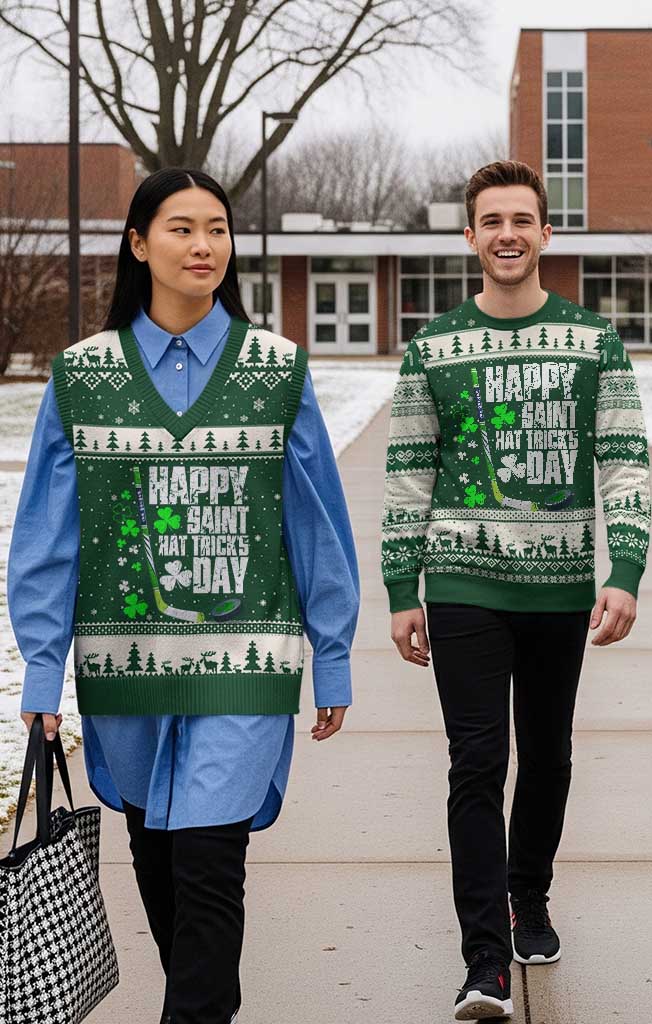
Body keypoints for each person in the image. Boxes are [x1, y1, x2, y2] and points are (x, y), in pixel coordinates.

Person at [11, 168, 359, 1024]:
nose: (203, 246)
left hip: (245, 664)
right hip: (123, 667)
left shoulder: (276, 371)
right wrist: (42, 676)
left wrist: (334, 654)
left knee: (210, 863)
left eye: (216, 229)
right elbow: (47, 538)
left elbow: (315, 522)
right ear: (138, 244)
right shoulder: (82, 376)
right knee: (159, 860)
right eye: (180, 229)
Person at [381, 160, 652, 1021]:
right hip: (463, 579)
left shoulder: (593, 340)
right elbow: (407, 474)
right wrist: (401, 586)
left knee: (549, 753)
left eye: (522, 220)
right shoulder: (433, 348)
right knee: (477, 761)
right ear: (469, 236)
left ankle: (527, 896)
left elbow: (623, 460)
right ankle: (484, 961)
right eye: (491, 220)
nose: (507, 234)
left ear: (546, 233)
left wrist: (627, 570)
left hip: (561, 588)